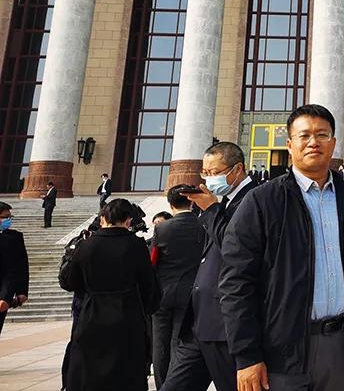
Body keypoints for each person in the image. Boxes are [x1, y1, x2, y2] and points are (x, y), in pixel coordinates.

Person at [220, 104, 344, 391]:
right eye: (304, 135)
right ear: (289, 145)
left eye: (322, 135)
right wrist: (247, 355)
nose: (314, 142)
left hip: (338, 346)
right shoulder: (263, 201)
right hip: (281, 348)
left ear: (333, 143)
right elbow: (236, 283)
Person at [160, 141, 255, 391]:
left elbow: (236, 248)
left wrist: (211, 209)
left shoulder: (255, 199)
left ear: (237, 169)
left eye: (214, 172)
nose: (209, 178)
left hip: (226, 326)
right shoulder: (222, 202)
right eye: (205, 172)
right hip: (198, 322)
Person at [58, 197, 160, 391]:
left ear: (103, 218)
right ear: (128, 220)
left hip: (92, 314)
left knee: (89, 370)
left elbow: (71, 282)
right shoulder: (136, 245)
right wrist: (147, 310)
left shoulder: (86, 245)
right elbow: (149, 284)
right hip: (127, 314)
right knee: (126, 371)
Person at [150, 185, 208, 389]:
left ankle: (162, 385)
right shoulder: (204, 226)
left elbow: (153, 261)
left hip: (163, 293)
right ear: (192, 202)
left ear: (170, 204)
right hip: (191, 293)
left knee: (160, 344)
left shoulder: (162, 228)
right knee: (180, 343)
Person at [0, 201, 29, 337]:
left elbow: (20, 267)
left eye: (9, 217)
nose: (8, 220)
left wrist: (22, 291)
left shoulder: (14, 237)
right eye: (5, 217)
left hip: (3, 297)